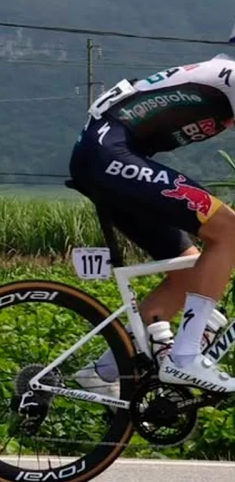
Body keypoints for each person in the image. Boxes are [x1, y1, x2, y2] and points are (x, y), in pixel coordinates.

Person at [69, 29, 235, 395]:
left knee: (189, 269)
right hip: (109, 155)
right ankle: (186, 357)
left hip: (106, 157)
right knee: (228, 230)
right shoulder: (231, 75)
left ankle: (103, 373)